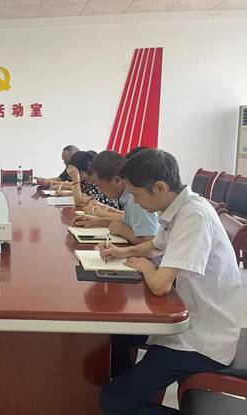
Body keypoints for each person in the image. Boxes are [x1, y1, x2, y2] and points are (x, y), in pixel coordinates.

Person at [98, 148, 244, 414]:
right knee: (117, 335)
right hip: (190, 321)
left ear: (160, 187)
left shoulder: (193, 215)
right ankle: (130, 384)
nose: (135, 201)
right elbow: (156, 245)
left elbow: (160, 285)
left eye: (137, 195)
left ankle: (126, 391)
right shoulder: (180, 207)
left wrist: (145, 268)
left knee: (113, 401)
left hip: (202, 340)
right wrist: (122, 252)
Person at [73, 150, 159, 244]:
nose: (100, 191)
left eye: (99, 186)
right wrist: (96, 221)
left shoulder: (135, 198)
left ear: (117, 180)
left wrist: (122, 230)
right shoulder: (126, 197)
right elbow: (127, 223)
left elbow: (151, 241)